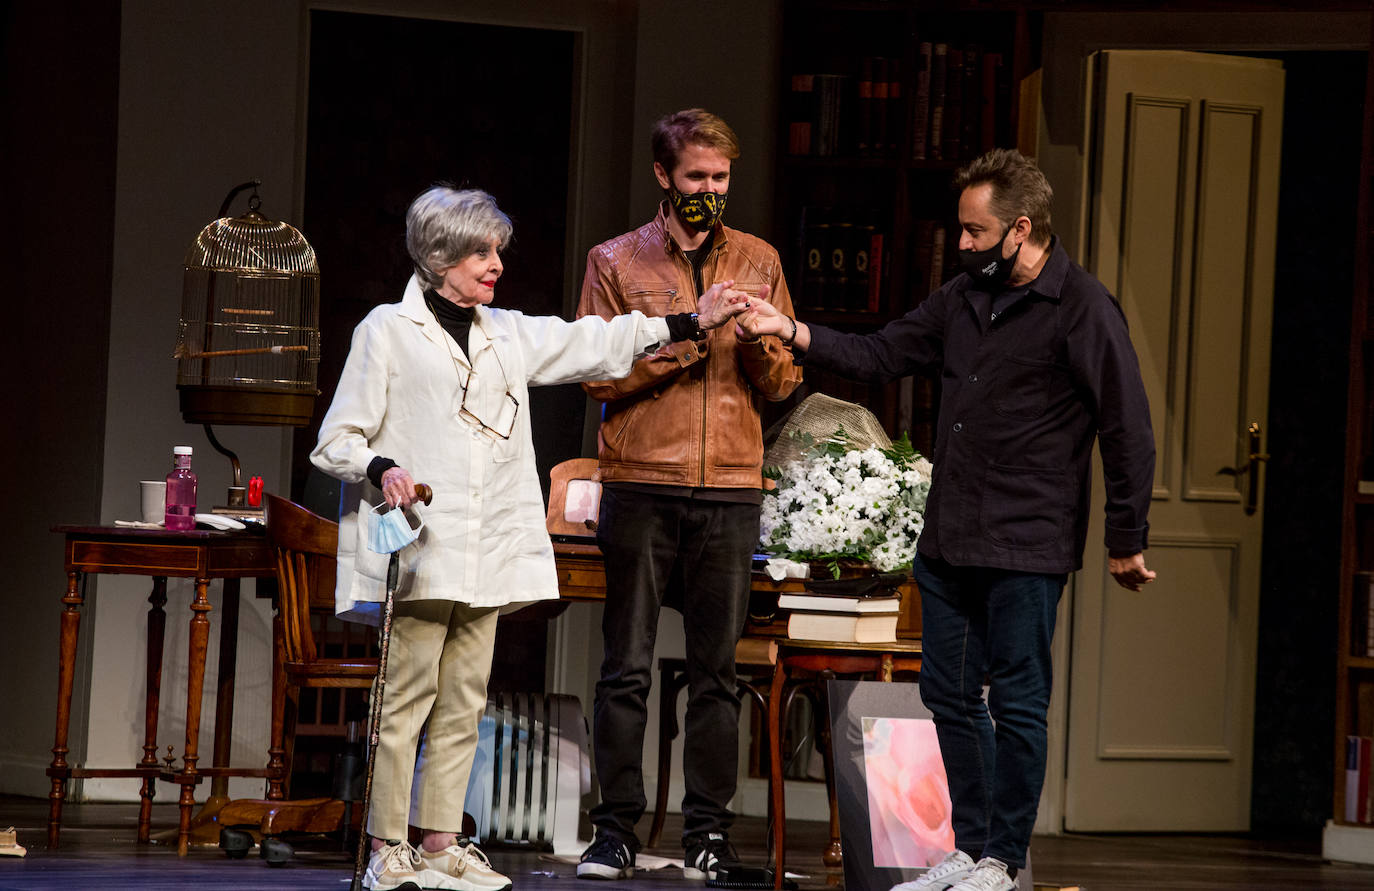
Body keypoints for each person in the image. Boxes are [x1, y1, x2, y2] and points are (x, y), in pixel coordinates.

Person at [738, 148, 1156, 891]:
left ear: (1020, 228)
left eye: (974, 231)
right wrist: (792, 329)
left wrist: (1127, 538)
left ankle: (1003, 858)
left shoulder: (1083, 308)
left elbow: (1127, 426)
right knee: (949, 694)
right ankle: (970, 848)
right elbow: (880, 351)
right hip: (951, 537)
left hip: (1027, 541)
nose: (961, 244)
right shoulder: (963, 297)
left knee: (1020, 700)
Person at [312, 186, 745, 891]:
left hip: (481, 551)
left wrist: (688, 320)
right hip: (422, 551)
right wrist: (382, 466)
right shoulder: (386, 331)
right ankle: (387, 847)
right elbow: (338, 439)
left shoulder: (505, 332)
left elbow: (592, 343)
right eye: (481, 253)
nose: (495, 265)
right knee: (405, 702)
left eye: (497, 252)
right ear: (439, 257)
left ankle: (441, 841)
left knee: (464, 702)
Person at [573, 109, 803, 882]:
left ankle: (709, 833)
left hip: (732, 487)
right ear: (665, 177)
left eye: (721, 178)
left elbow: (782, 381)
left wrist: (765, 341)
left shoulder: (760, 258)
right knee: (627, 665)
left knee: (717, 672)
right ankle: (615, 829)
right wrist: (689, 336)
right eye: (697, 177)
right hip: (641, 480)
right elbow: (597, 373)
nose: (710, 191)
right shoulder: (615, 259)